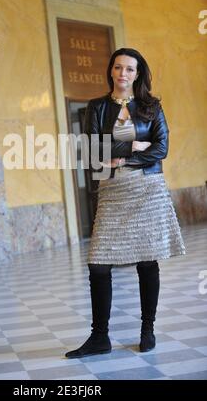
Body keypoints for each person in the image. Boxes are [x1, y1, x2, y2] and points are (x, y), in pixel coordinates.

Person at [65, 47, 185, 358]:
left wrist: (124, 158)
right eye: (118, 67)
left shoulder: (151, 106)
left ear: (138, 74)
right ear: (111, 71)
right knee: (98, 264)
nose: (123, 74)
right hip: (112, 189)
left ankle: (147, 330)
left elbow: (162, 148)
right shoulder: (97, 107)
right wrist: (134, 143)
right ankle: (99, 337)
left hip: (146, 188)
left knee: (147, 260)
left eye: (130, 69)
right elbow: (93, 151)